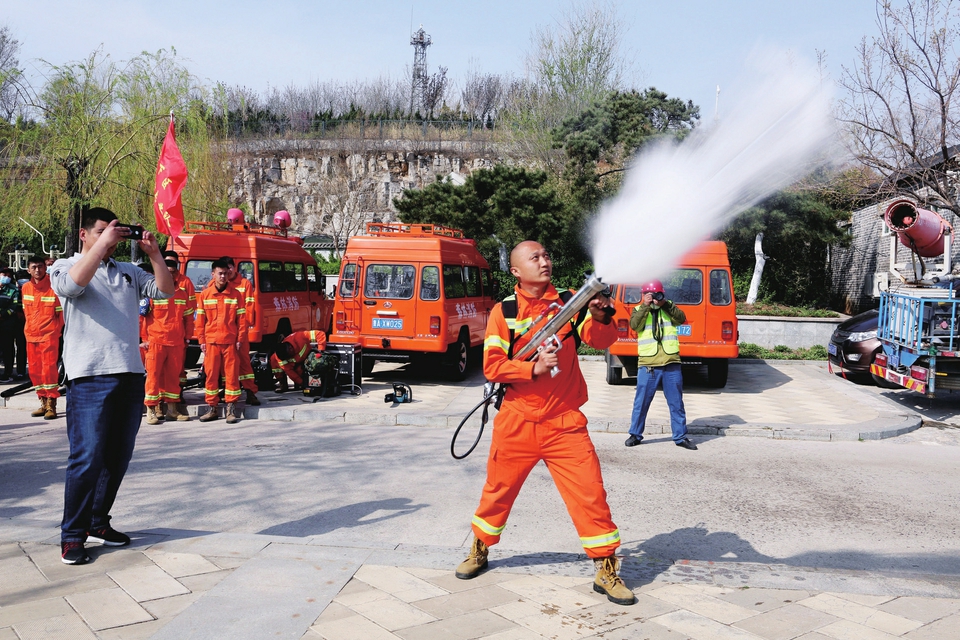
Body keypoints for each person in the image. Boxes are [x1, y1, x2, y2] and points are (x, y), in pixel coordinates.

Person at [455, 241, 636, 606]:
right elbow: (492, 366)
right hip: (517, 420)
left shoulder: (572, 302)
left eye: (547, 255)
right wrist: (531, 368)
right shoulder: (503, 311)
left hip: (564, 422)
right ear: (516, 270)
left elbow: (599, 338)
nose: (545, 261)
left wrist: (601, 316)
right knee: (497, 492)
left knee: (591, 496)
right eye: (535, 257)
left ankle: (606, 568)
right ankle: (480, 548)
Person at [50, 207, 174, 565]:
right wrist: (99, 248)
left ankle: (97, 521)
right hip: (89, 377)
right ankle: (72, 535)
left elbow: (165, 292)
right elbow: (72, 286)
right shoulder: (66, 264)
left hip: (130, 374)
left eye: (116, 233)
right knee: (86, 457)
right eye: (103, 231)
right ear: (84, 234)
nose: (112, 238)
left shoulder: (127, 272)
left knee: (118, 457)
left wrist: (154, 255)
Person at [624, 280, 697, 450]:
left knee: (676, 403)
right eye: (650, 294)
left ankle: (680, 437)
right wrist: (645, 306)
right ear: (643, 295)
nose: (654, 297)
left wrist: (664, 304)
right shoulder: (638, 310)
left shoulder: (669, 307)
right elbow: (635, 325)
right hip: (648, 365)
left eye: (657, 294)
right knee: (641, 402)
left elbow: (681, 319)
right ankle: (635, 434)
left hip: (671, 363)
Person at [142, 251, 195, 424]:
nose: (170, 275)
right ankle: (151, 409)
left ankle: (172, 410)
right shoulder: (152, 293)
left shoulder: (181, 293)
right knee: (153, 376)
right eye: (167, 271)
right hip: (155, 341)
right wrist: (144, 339)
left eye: (173, 272)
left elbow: (188, 318)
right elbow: (142, 319)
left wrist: (187, 338)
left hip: (176, 342)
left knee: (173, 377)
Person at [196, 258, 246, 423]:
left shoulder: (236, 294)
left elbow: (242, 321)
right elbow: (200, 322)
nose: (223, 276)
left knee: (231, 376)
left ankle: (231, 410)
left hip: (230, 342)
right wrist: (201, 340)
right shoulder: (205, 295)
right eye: (220, 273)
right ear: (213, 274)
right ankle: (212, 409)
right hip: (211, 342)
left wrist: (240, 339)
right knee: (211, 376)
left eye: (226, 273)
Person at [22, 255, 64, 419]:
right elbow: (26, 311)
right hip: (31, 335)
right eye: (34, 267)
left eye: (40, 266)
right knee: (35, 370)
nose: (37, 270)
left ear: (45, 268)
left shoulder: (54, 287)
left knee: (49, 371)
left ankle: (51, 404)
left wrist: (55, 331)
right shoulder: (25, 288)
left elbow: (61, 315)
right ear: (28, 269)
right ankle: (42, 401)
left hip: (49, 336)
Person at [220, 256, 260, 406]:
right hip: (223, 334)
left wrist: (242, 329)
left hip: (239, 332)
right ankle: (226, 391)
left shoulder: (244, 284)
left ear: (234, 268)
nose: (227, 272)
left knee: (244, 363)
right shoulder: (215, 285)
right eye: (224, 270)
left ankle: (250, 392)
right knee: (225, 366)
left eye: (229, 268)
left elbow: (249, 310)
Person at [0, 268, 22, 382]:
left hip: (7, 324)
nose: (6, 277)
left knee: (7, 348)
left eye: (9, 275)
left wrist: (3, 315)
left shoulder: (13, 290)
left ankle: (7, 373)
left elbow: (13, 306)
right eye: (4, 274)